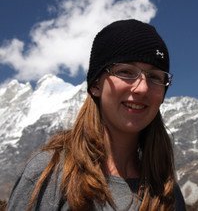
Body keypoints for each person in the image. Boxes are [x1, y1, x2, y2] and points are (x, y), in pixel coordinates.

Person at [7, 19, 186, 211]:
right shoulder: (48, 174)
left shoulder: (168, 192)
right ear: (95, 85)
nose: (142, 88)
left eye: (155, 77)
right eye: (125, 71)